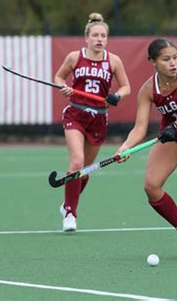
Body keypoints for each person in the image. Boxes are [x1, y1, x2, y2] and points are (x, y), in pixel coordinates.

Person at [115, 38, 177, 256]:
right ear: (152, 61)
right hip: (173, 138)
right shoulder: (148, 89)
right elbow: (139, 128)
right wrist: (125, 147)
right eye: (166, 59)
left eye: (175, 57)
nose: (173, 63)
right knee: (151, 186)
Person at [54, 12, 130, 232]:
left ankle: (67, 203)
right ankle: (70, 213)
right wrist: (63, 87)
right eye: (95, 35)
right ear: (86, 38)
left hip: (98, 118)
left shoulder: (113, 60)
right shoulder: (74, 57)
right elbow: (59, 77)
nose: (99, 39)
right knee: (76, 163)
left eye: (103, 36)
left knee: (86, 170)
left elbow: (126, 87)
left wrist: (117, 96)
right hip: (75, 114)